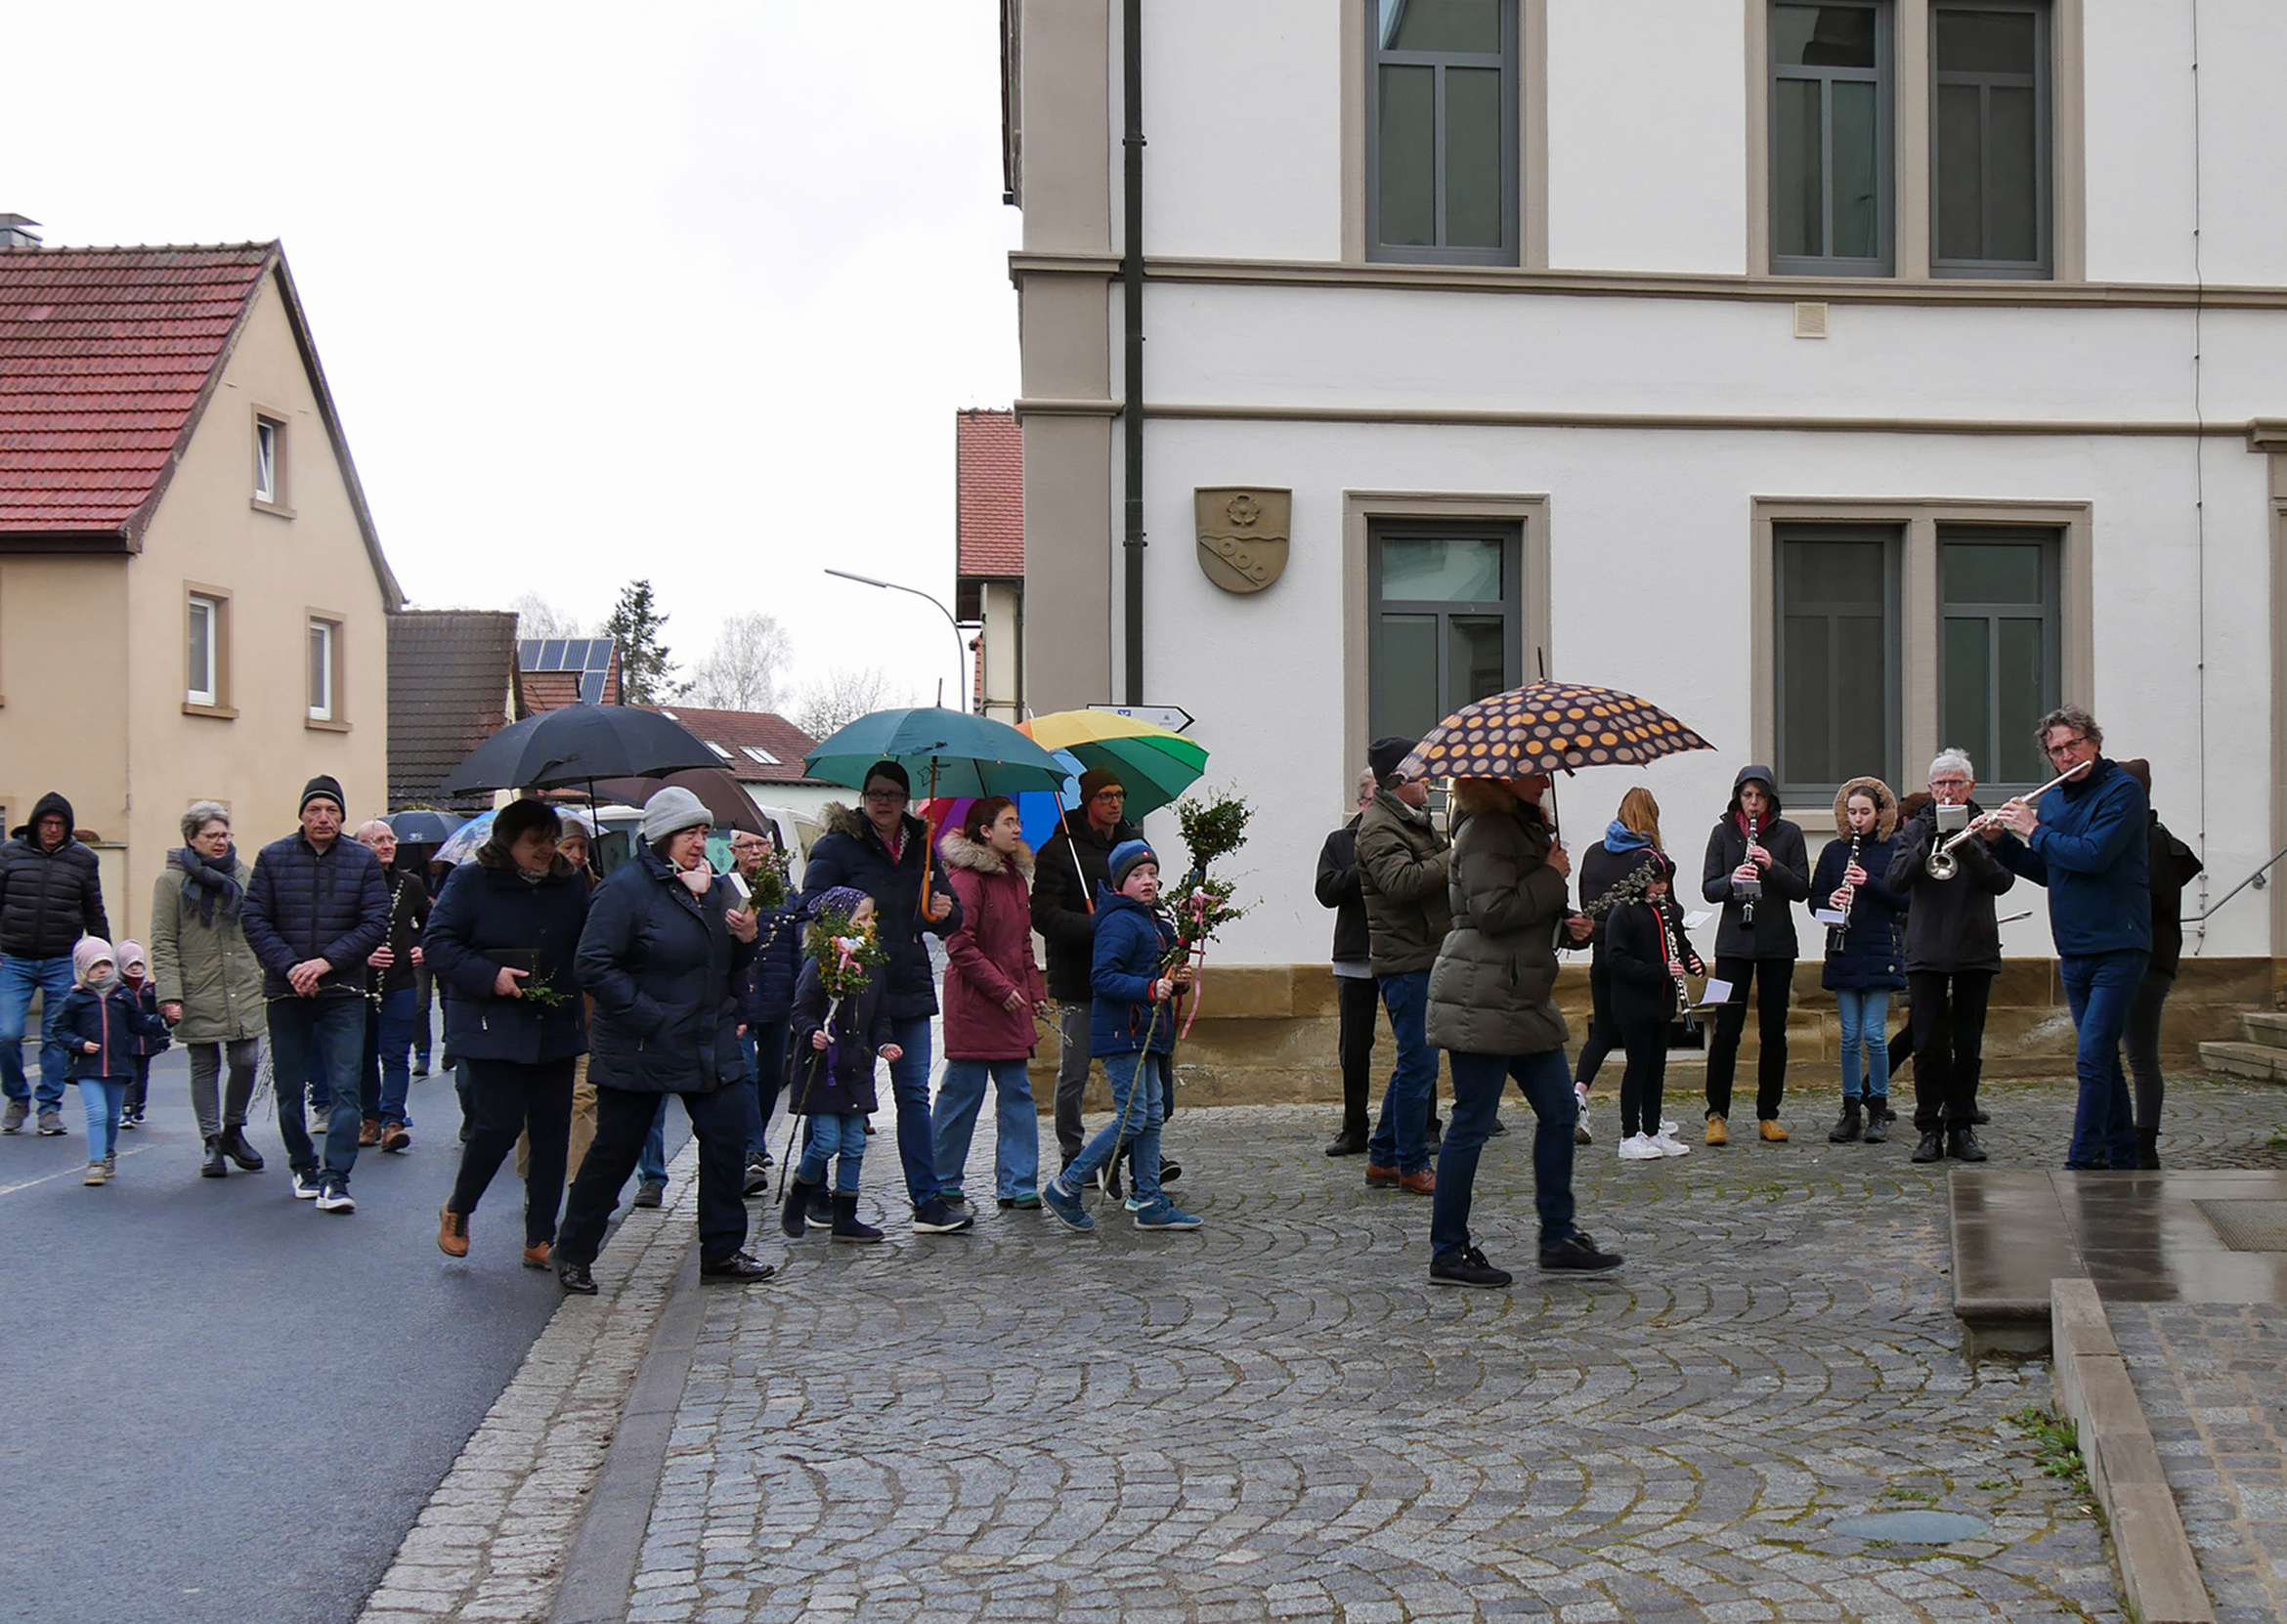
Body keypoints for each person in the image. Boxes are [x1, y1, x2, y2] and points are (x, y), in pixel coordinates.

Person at [553, 788, 771, 1293]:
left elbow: (726, 963)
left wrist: (745, 940)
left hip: (707, 1038)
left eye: (703, 833)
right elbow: (592, 964)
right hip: (642, 1044)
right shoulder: (624, 889)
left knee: (725, 1143)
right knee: (616, 1151)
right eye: (690, 834)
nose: (700, 843)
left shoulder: (714, 888)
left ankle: (721, 1250)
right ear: (662, 836)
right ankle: (576, 1251)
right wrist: (648, 1015)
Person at [1424, 775, 1618, 1288]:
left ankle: (1558, 1237)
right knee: (1471, 1123)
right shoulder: (1487, 828)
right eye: (1529, 774)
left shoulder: (1521, 827)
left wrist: (1568, 928)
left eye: (1542, 773)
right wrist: (1553, 876)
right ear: (1499, 779)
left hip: (1522, 996)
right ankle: (1448, 1251)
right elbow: (1492, 912)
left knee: (1559, 1113)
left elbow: (1523, 913)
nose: (1540, 782)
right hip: (1482, 994)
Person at [799, 760, 971, 1236]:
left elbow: (946, 911)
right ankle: (814, 1190)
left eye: (893, 794)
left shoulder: (923, 846)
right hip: (852, 983)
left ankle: (928, 1201)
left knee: (914, 1093)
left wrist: (945, 911)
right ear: (863, 796)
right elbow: (808, 902)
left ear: (906, 798)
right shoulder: (838, 845)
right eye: (875, 792)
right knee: (834, 1091)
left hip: (908, 983)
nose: (883, 801)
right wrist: (848, 909)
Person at [428, 799, 592, 1269]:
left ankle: (540, 1235)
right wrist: (489, 974)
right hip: (491, 1021)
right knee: (498, 1123)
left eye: (549, 839)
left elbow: (589, 939)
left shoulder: (570, 882)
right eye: (534, 842)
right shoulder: (469, 881)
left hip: (555, 1017)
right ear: (507, 843)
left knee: (550, 1130)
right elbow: (438, 945)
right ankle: (459, 1207)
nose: (545, 850)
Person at [1992, 706, 2150, 1171]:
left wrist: (2034, 830)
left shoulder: (2122, 790)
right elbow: (2050, 870)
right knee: (2102, 1058)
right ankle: (2122, 1156)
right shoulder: (2056, 798)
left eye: (2073, 745)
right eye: (2057, 750)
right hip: (2075, 945)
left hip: (2119, 942)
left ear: (2093, 742)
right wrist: (2002, 843)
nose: (2066, 756)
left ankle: (2082, 1159)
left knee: (2091, 1054)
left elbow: (2094, 856)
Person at [241, 776, 389, 1213]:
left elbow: (374, 922)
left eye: (331, 810)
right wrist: (290, 967)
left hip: (343, 988)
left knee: (345, 1087)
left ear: (342, 816)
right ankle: (303, 1165)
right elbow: (254, 920)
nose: (322, 818)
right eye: (314, 810)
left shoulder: (362, 862)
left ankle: (336, 1177)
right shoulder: (272, 858)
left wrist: (324, 963)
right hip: (286, 991)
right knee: (289, 1088)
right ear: (302, 815)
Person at [1039, 840, 1200, 1232]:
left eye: (1152, 874)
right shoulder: (1118, 921)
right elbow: (1104, 977)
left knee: (1150, 1116)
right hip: (1123, 1031)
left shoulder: (1153, 920)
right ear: (1119, 882)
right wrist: (1147, 989)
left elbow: (1154, 972)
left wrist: (1174, 982)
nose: (1148, 881)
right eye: (1137, 875)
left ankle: (1148, 1198)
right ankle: (1067, 1185)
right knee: (1132, 1118)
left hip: (1147, 1029)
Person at [1886, 751, 2015, 1164]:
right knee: (1927, 1046)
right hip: (1926, 950)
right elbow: (1894, 880)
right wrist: (1929, 841)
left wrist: (1972, 843)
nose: (1947, 791)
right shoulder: (1915, 828)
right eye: (1940, 784)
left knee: (1968, 1045)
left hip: (1974, 949)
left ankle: (1961, 1125)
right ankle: (1928, 1129)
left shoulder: (1988, 828)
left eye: (1956, 783)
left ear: (1970, 787)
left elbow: (2003, 881)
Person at [931, 796, 1046, 1211]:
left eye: (1017, 823)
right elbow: (960, 945)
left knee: (1017, 1092)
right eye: (1008, 822)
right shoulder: (966, 879)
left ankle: (1018, 1183)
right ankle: (942, 1180)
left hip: (1011, 1004)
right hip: (976, 1004)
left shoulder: (1015, 878)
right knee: (962, 1094)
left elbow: (1022, 944)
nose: (1017, 830)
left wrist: (1034, 991)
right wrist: (1001, 988)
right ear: (985, 831)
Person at [1033, 767, 1144, 1180]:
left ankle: (1125, 1152)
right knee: (1075, 1072)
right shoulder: (1059, 850)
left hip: (1124, 976)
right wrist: (1092, 925)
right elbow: (1043, 913)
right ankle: (1071, 1150)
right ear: (1088, 801)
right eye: (1105, 796)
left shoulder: (1134, 844)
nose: (1114, 803)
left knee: (1130, 1075)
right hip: (1079, 976)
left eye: (1120, 794)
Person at [150, 801, 268, 1177]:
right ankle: (211, 1141)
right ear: (191, 839)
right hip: (196, 985)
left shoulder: (245, 876)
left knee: (246, 1059)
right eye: (211, 836)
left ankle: (234, 1129)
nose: (220, 842)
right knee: (204, 1065)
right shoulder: (170, 883)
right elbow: (163, 941)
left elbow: (262, 927)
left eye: (224, 835)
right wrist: (169, 995)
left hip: (243, 983)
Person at [1356, 736, 1451, 1197]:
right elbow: (1401, 882)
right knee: (1420, 1065)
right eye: (1422, 772)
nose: (1429, 779)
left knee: (1412, 1062)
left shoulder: (1412, 820)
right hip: (1405, 959)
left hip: (1423, 951)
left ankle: (1383, 1157)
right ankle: (1413, 1163)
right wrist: (1457, 854)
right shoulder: (1377, 827)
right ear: (1398, 781)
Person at [1699, 764, 1810, 1145]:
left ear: (1770, 799)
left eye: (1760, 796)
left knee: (1773, 1031)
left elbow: (1801, 888)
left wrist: (1771, 865)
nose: (1753, 802)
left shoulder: (1789, 834)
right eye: (1747, 795)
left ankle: (1769, 1113)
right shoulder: (1722, 834)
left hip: (1777, 944)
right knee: (1727, 1030)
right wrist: (1732, 879)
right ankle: (1716, 1113)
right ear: (1738, 798)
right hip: (1734, 944)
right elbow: (1708, 889)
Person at [781, 888, 898, 1244]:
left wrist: (883, 1043)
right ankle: (799, 1193)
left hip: (855, 1067)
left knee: (854, 1145)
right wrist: (813, 1031)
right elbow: (800, 1010)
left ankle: (846, 1216)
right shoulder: (822, 962)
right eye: (860, 919)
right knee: (826, 1140)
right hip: (823, 1068)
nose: (868, 925)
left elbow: (879, 1015)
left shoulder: (872, 964)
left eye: (870, 918)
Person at [0, 791, 110, 1136]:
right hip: (13, 957)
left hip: (61, 958)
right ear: (35, 824)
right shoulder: (8, 854)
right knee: (7, 1033)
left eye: (60, 824)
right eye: (47, 823)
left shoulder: (82, 860)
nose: (52, 829)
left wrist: (103, 956)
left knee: (56, 1036)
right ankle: (17, 1097)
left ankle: (49, 1107)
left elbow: (94, 908)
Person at [1811, 778, 1907, 1146]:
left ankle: (1878, 1108)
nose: (1857, 819)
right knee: (1849, 1036)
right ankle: (1850, 1109)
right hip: (1844, 949)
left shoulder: (1894, 848)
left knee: (1874, 1034)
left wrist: (1868, 883)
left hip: (1881, 948)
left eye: (1865, 812)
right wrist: (1831, 901)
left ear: (1879, 814)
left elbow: (1905, 899)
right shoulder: (1835, 852)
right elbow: (1814, 901)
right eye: (1852, 812)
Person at [2117, 759, 2201, 1171]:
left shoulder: (2150, 842)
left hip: (2147, 961)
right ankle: (2126, 1137)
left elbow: (2150, 903)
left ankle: (2143, 1142)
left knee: (2140, 1057)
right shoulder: (2142, 838)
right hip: (2138, 957)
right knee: (2116, 1054)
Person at [1575, 787, 1669, 1142]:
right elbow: (1660, 910)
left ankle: (1579, 1094)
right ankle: (1644, 1118)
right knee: (1641, 1044)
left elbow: (1587, 905)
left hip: (1601, 953)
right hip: (1639, 963)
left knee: (1602, 1030)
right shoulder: (1649, 859)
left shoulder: (1594, 853)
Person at [1605, 852, 1699, 1161]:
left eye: (1666, 882)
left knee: (1657, 1071)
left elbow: (1680, 944)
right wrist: (1660, 971)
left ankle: (1653, 1130)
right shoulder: (1624, 914)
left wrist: (1691, 960)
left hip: (1662, 1003)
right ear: (1641, 882)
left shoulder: (1669, 911)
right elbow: (1616, 961)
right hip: (1633, 1005)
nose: (1663, 888)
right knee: (1638, 1068)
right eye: (1657, 882)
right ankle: (1629, 1135)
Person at [728, 826, 802, 1195]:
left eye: (762, 844)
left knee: (771, 1075)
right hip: (739, 1000)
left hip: (778, 995)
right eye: (747, 845)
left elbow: (797, 946)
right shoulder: (725, 889)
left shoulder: (786, 893)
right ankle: (751, 1150)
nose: (755, 851)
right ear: (733, 850)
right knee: (743, 1071)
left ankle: (751, 1141)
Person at [353, 820, 431, 1153]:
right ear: (359, 847)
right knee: (363, 1054)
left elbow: (434, 923)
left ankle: (393, 1121)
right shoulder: (350, 885)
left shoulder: (409, 883)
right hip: (359, 984)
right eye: (375, 840)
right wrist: (362, 957)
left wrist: (423, 947)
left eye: (389, 839)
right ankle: (369, 1118)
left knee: (395, 1055)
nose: (386, 845)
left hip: (400, 983)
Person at [60, 939, 164, 1186]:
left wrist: (162, 1021)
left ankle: (108, 1153)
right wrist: (79, 1043)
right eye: (96, 966)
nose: (103, 970)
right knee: (96, 1113)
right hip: (88, 1067)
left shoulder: (122, 995)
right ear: (84, 969)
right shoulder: (76, 999)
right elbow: (60, 1030)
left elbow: (138, 1023)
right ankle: (95, 1162)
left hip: (117, 1065)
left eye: (106, 964)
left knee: (112, 1115)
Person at [1314, 767, 1379, 1157]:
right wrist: (1362, 865)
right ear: (1360, 802)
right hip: (1355, 956)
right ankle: (1355, 1129)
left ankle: (1426, 1127)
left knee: (1415, 1045)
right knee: (1354, 1049)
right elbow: (1326, 890)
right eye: (1374, 799)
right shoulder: (1340, 841)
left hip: (1401, 954)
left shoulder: (1408, 835)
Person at [114, 941, 168, 1128]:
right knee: (129, 1075)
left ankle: (139, 1106)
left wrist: (162, 1036)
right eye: (131, 965)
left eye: (139, 964)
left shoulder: (151, 989)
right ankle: (127, 1109)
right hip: (126, 1041)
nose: (136, 968)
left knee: (142, 1076)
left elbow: (159, 1014)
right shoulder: (119, 991)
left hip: (147, 1040)